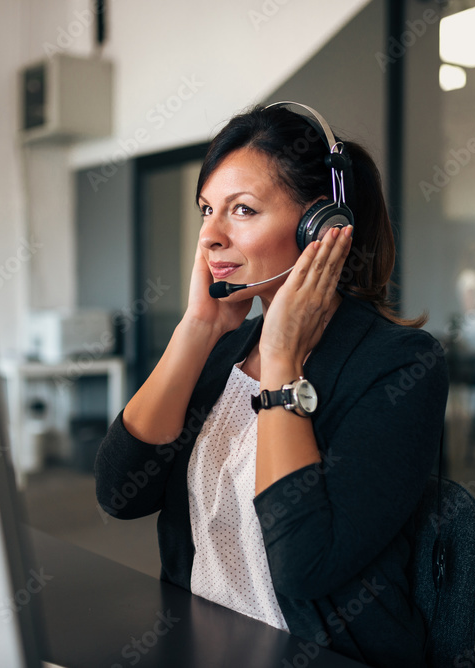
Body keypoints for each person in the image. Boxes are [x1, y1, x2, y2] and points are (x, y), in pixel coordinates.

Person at [94, 103, 449, 667]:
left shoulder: (400, 364)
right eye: (207, 209)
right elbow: (119, 494)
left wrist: (282, 359)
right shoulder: (223, 351)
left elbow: (304, 566)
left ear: (321, 227)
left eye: (242, 210)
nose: (210, 235)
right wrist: (197, 330)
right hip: (199, 642)